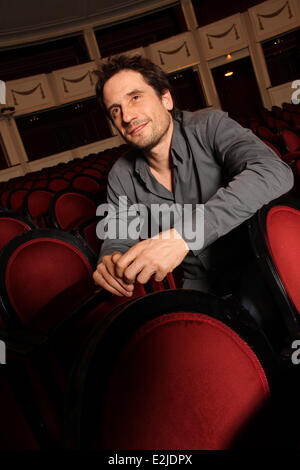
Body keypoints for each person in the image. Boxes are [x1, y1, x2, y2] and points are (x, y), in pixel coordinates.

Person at [93, 54, 294, 299]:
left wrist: (185, 235)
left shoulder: (210, 125)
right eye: (116, 110)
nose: (127, 117)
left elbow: (273, 171)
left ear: (165, 98)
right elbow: (117, 238)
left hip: (259, 267)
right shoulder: (120, 175)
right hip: (199, 288)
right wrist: (110, 261)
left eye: (135, 98)